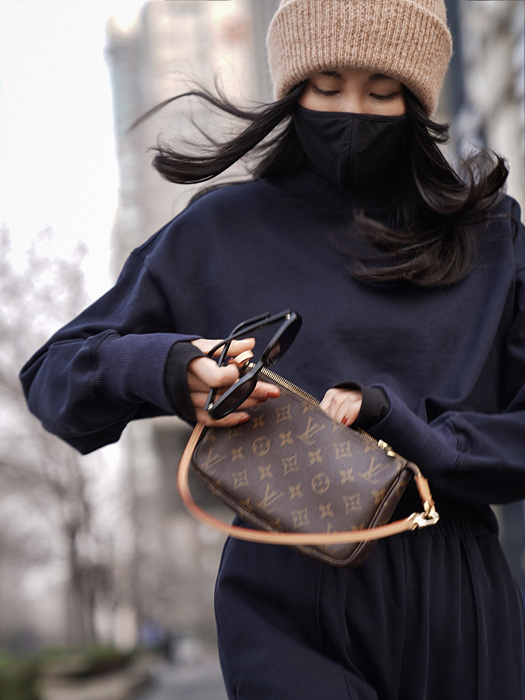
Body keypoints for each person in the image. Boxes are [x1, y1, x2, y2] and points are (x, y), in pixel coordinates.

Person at [20, 0, 525, 697]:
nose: (351, 113)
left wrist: (407, 430)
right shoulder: (220, 231)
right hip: (282, 587)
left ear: (418, 101)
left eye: (382, 92)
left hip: (454, 598)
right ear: (291, 90)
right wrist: (170, 368)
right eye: (326, 86)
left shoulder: (488, 234)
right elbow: (54, 374)